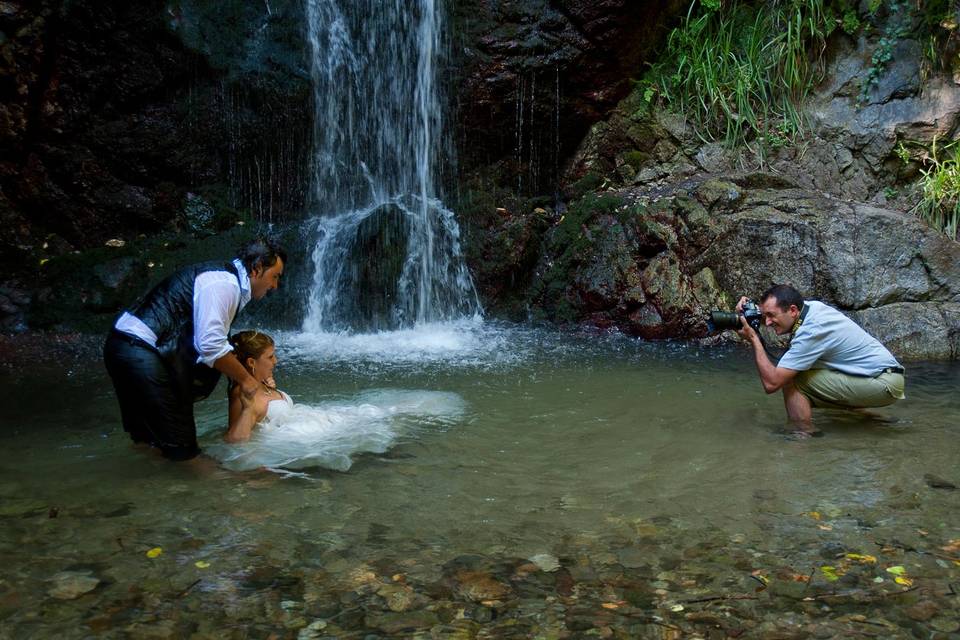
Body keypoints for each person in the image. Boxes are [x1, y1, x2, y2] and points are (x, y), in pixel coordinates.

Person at [103, 238, 286, 460]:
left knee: (149, 439)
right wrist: (248, 381)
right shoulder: (224, 284)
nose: (275, 286)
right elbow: (210, 345)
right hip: (139, 349)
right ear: (257, 269)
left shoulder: (225, 279)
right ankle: (228, 484)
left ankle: (146, 488)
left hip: (123, 346)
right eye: (274, 276)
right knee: (185, 451)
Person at [736, 284, 905, 432]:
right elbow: (776, 317)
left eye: (771, 315)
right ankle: (874, 419)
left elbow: (772, 383)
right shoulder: (810, 309)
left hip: (883, 383)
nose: (768, 322)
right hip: (881, 377)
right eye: (765, 316)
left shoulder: (811, 330)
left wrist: (753, 339)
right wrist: (750, 315)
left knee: (793, 379)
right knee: (808, 371)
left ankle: (801, 433)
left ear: (793, 310)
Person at [223, 330, 292, 443]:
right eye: (270, 357)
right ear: (251, 362)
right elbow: (235, 442)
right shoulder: (244, 394)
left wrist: (272, 390)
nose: (275, 361)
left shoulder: (261, 384)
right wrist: (247, 409)